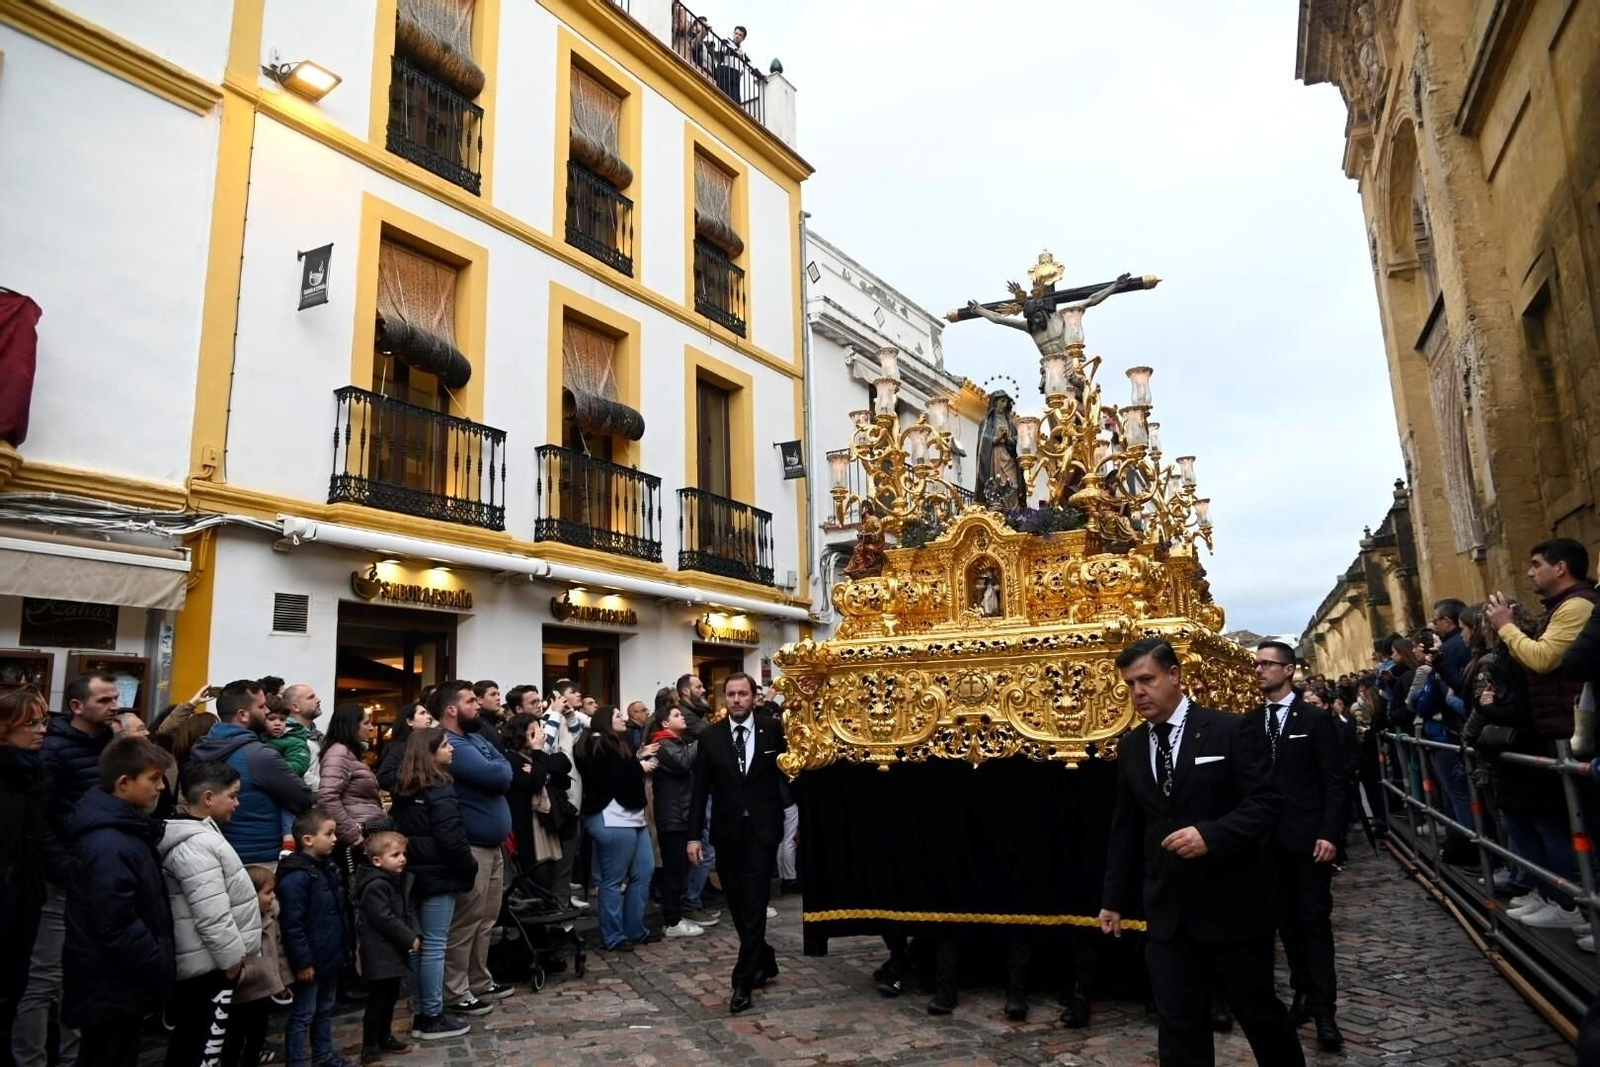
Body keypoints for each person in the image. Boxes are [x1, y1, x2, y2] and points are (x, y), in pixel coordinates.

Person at [1098, 638, 1301, 1067]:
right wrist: (1113, 900)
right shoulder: (1132, 747)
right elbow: (1126, 828)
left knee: (1260, 1017)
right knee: (1179, 1028)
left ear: (1175, 676)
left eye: (1147, 680)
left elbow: (1266, 803)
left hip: (1234, 906)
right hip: (1169, 914)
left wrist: (1212, 835)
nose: (1138, 692)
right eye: (1131, 684)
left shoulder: (1231, 728)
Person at [1242, 641, 1345, 1052]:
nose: (1260, 670)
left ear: (1289, 670)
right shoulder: (1249, 724)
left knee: (1314, 923)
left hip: (1308, 842)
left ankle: (1324, 1011)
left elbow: (1334, 781)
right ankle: (1300, 994)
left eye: (1268, 664)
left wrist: (1330, 833)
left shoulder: (1316, 721)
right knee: (1285, 925)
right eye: (1258, 664)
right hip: (1266, 846)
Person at [15, 673, 117, 1067]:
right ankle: (31, 1059)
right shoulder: (52, 750)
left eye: (114, 699)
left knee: (81, 973)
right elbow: (39, 821)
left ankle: (73, 1058)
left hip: (94, 874)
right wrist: (64, 868)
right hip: (61, 879)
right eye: (105, 700)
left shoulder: (108, 744)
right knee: (44, 978)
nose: (114, 706)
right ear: (78, 706)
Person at [62, 737, 177, 1067]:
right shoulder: (109, 844)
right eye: (153, 779)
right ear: (124, 783)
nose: (160, 788)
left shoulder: (126, 831)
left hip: (119, 984)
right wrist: (158, 962)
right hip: (110, 983)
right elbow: (115, 922)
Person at [688, 673, 786, 1014]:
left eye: (743, 694)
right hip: (727, 832)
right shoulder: (711, 737)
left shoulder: (772, 729)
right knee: (738, 901)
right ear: (724, 699)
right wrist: (693, 835)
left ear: (754, 697)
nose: (737, 700)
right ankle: (764, 956)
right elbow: (699, 790)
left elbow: (787, 773)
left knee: (755, 899)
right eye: (731, 694)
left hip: (762, 829)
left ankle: (742, 982)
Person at [159, 760, 263, 1067]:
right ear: (208, 798)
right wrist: (231, 962)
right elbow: (212, 914)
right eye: (231, 795)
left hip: (212, 963)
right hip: (209, 967)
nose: (237, 803)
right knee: (201, 1045)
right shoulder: (195, 847)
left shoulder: (205, 834)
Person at [434, 680, 514, 1016]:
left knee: (486, 919)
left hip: (493, 846)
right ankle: (456, 991)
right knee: (466, 921)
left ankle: (480, 980)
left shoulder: (475, 737)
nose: (477, 706)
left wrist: (502, 767)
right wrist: (502, 768)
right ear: (452, 709)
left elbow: (504, 764)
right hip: (472, 847)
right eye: (470, 701)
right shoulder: (448, 741)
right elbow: (498, 775)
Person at [388, 729, 473, 1040]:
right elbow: (452, 838)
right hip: (438, 874)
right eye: (445, 745)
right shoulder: (440, 789)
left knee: (419, 946)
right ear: (430, 752)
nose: (451, 749)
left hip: (413, 875)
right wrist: (468, 868)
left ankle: (424, 1006)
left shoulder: (405, 788)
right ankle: (432, 1015)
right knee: (436, 945)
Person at [192, 680, 315, 867]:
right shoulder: (259, 756)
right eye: (261, 706)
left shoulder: (202, 748)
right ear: (242, 714)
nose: (267, 711)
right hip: (260, 858)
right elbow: (303, 798)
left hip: (216, 854)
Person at [575, 706, 659, 951]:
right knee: (613, 880)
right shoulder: (596, 744)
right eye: (617, 715)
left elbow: (621, 769)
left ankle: (635, 928)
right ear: (605, 722)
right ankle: (614, 935)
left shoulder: (616, 743)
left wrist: (636, 759)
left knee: (644, 871)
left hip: (632, 816)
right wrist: (638, 766)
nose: (622, 718)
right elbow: (610, 777)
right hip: (612, 817)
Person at [277, 808, 353, 1067]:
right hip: (312, 959)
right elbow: (292, 925)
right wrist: (303, 962)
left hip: (330, 954)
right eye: (329, 834)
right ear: (308, 839)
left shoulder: (328, 868)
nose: (335, 839)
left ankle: (324, 1056)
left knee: (324, 1009)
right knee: (304, 1013)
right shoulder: (297, 877)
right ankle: (296, 1061)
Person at [0, 689, 49, 1059]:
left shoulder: (33, 774)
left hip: (24, 900)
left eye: (43, 722)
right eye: (30, 723)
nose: (41, 730)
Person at [352, 831, 419, 1064]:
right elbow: (385, 918)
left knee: (390, 996)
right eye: (395, 855)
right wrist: (409, 937)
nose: (402, 859)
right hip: (378, 952)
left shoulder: (394, 880)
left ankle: (384, 1036)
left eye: (403, 854)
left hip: (390, 951)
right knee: (378, 1000)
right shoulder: (376, 885)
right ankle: (370, 1045)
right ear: (377, 861)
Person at [222, 867, 291, 1067]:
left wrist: (283, 979)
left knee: (257, 1036)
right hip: (242, 991)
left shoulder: (271, 918)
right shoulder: (239, 922)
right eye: (268, 892)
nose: (273, 896)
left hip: (264, 987)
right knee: (234, 1038)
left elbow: (278, 949)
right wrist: (242, 976)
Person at [650, 702, 706, 938]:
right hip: (672, 816)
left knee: (680, 869)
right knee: (673, 870)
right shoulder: (662, 744)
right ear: (665, 723)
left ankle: (677, 916)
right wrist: (700, 742)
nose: (682, 718)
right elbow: (682, 764)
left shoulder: (677, 743)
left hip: (681, 813)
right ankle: (672, 922)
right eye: (676, 715)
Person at [319, 705, 386, 857]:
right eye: (366, 722)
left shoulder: (349, 753)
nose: (371, 727)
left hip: (363, 830)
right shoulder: (339, 752)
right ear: (352, 726)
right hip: (356, 836)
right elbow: (328, 797)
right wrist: (353, 835)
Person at [376, 703, 433, 794]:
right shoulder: (400, 748)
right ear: (410, 722)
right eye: (422, 713)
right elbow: (382, 778)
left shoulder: (430, 743)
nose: (429, 717)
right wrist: (412, 772)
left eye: (427, 713)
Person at [281, 685, 325, 790]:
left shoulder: (317, 735)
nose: (318, 700)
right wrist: (326, 789)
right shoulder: (287, 735)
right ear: (295, 707)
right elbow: (300, 774)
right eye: (311, 697)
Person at [265, 704, 312, 779]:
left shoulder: (296, 741)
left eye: (282, 719)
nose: (278, 723)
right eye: (271, 719)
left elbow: (299, 765)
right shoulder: (257, 736)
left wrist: (273, 766)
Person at [473, 681, 504, 747]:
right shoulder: (477, 724)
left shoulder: (495, 721)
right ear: (479, 700)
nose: (498, 698)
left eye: (498, 694)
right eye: (493, 695)